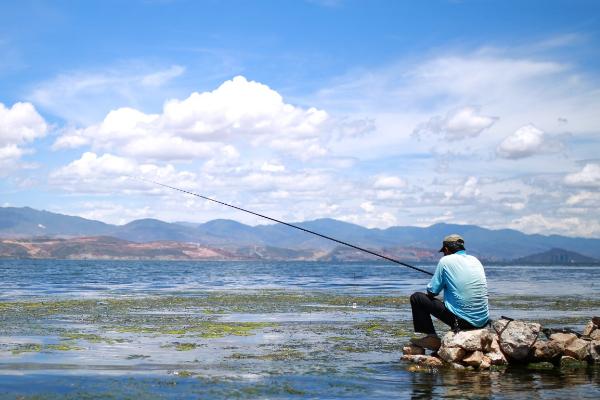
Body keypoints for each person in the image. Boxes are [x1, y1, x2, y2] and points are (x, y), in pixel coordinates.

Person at [409, 234, 489, 351]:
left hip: (462, 322)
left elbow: (432, 291)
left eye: (443, 251)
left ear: (446, 249)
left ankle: (431, 337)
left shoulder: (445, 261)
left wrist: (442, 283)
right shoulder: (475, 260)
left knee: (417, 298)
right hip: (483, 321)